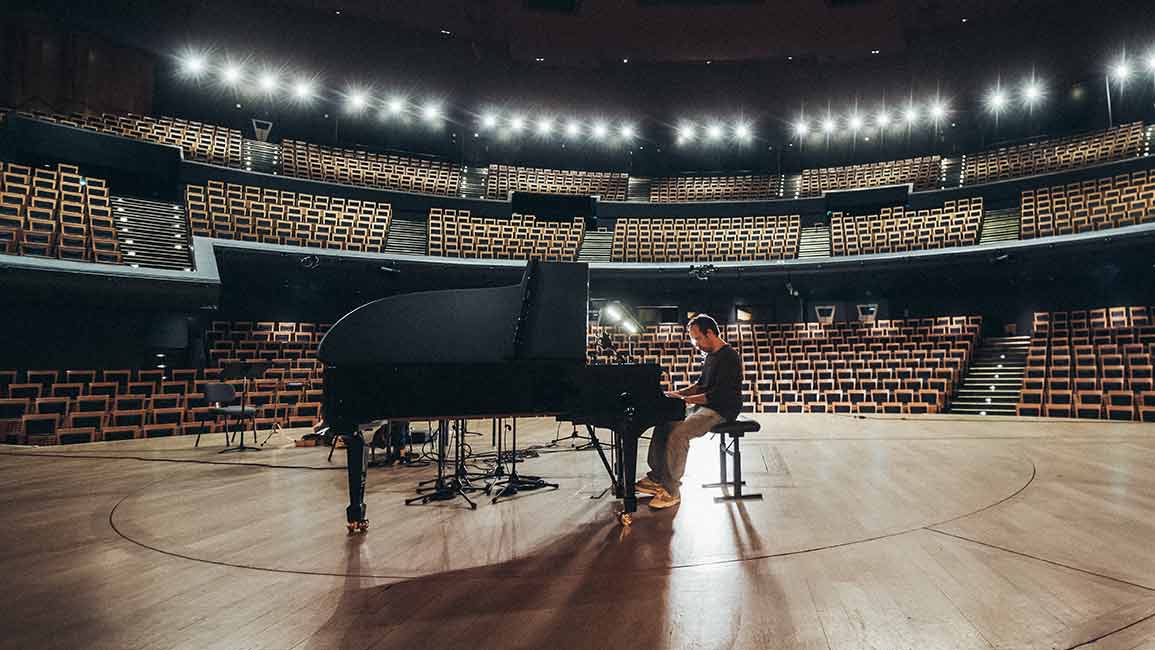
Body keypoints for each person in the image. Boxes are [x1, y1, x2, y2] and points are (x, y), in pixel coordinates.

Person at [636, 314, 743, 509]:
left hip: (721, 410)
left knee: (679, 434)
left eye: (697, 338)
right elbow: (700, 385)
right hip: (706, 405)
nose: (696, 344)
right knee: (665, 419)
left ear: (709, 333)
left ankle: (671, 490)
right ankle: (657, 477)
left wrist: (686, 400)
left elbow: (718, 395)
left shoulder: (729, 357)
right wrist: (676, 394)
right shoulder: (711, 356)